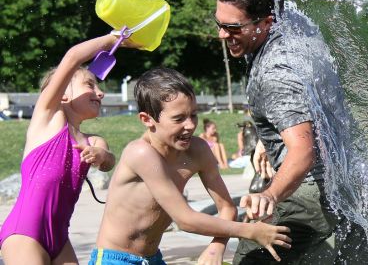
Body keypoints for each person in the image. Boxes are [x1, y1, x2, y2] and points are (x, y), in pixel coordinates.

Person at [215, 0, 368, 264]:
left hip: (308, 191)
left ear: (266, 22)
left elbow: (302, 152)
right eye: (219, 23)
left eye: (232, 27)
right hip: (348, 183)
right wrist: (268, 137)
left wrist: (270, 195)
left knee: (251, 260)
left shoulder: (275, 73)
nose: (222, 34)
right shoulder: (297, 27)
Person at [89, 67, 291, 265]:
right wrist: (250, 231)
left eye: (193, 115)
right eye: (178, 119)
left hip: (152, 258)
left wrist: (217, 246)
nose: (190, 125)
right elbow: (185, 219)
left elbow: (227, 207)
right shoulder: (140, 153)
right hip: (113, 258)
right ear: (147, 120)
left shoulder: (198, 151)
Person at [0, 35, 120, 264]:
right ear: (62, 94)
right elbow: (73, 57)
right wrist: (112, 39)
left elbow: (108, 162)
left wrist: (102, 156)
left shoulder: (93, 141)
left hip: (60, 239)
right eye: (89, 84)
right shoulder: (47, 119)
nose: (100, 92)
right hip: (24, 234)